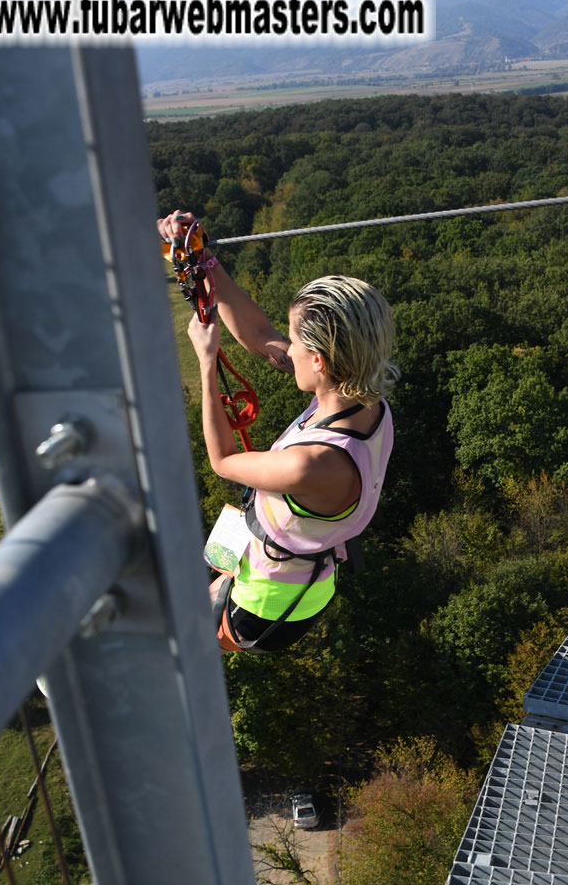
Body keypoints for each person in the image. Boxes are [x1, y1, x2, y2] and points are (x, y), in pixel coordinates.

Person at [157, 210, 397, 654]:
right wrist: (202, 259)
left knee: (180, 639)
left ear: (320, 360)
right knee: (192, 599)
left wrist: (207, 365)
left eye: (295, 341)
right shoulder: (362, 398)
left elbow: (223, 461)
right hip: (281, 561)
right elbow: (258, 333)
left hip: (267, 604)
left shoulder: (314, 463)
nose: (285, 345)